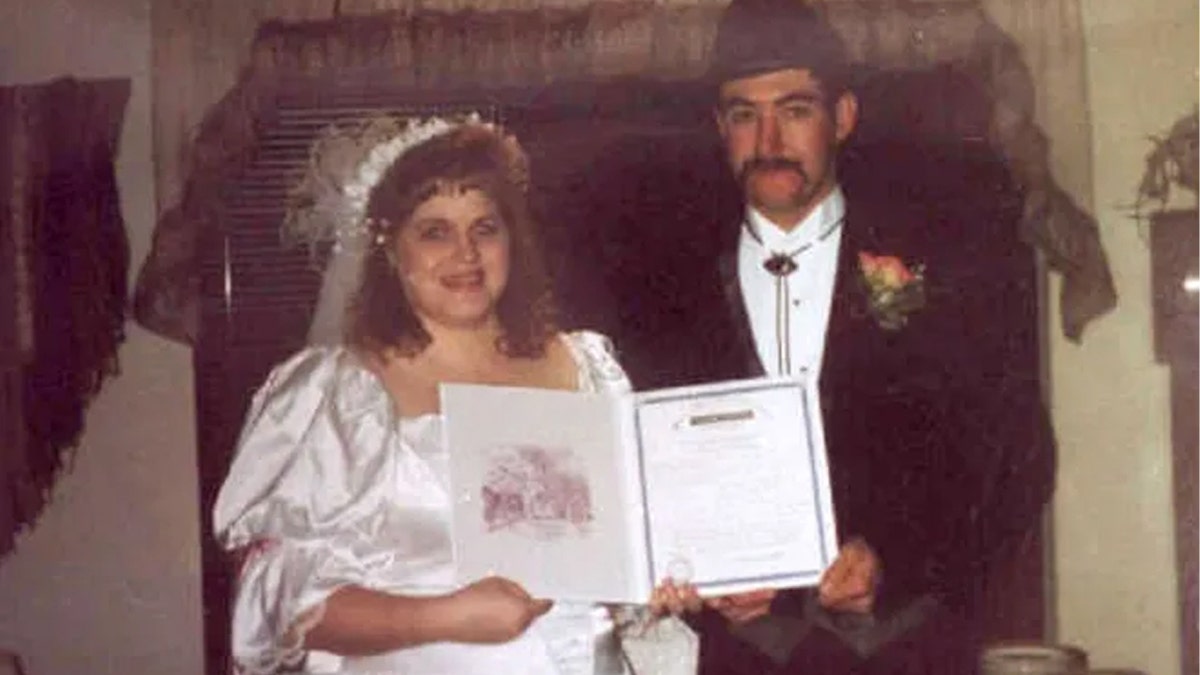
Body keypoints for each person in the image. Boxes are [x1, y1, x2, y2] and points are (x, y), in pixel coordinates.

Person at [619, 0, 1058, 673]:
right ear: (719, 126)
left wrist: (894, 561)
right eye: (744, 114)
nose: (768, 140)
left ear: (843, 117)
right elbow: (639, 473)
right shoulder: (667, 294)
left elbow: (1020, 460)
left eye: (795, 109)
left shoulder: (943, 267)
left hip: (911, 649)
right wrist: (692, 572)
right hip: (742, 657)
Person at [213, 117, 697, 674]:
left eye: (485, 227)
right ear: (390, 248)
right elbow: (274, 601)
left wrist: (659, 583)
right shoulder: (340, 394)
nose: (466, 254)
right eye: (435, 231)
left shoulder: (588, 368)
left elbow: (628, 553)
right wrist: (445, 617)